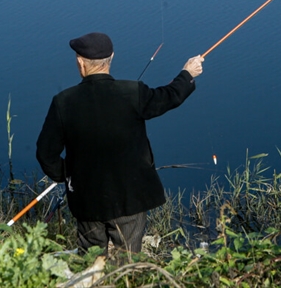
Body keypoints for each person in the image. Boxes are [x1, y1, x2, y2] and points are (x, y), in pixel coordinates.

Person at [36, 32, 203, 253]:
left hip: (87, 200)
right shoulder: (134, 92)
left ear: (80, 62)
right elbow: (169, 96)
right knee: (127, 257)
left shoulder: (63, 102)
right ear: (111, 58)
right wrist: (187, 73)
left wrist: (67, 175)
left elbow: (45, 153)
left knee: (90, 258)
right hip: (130, 198)